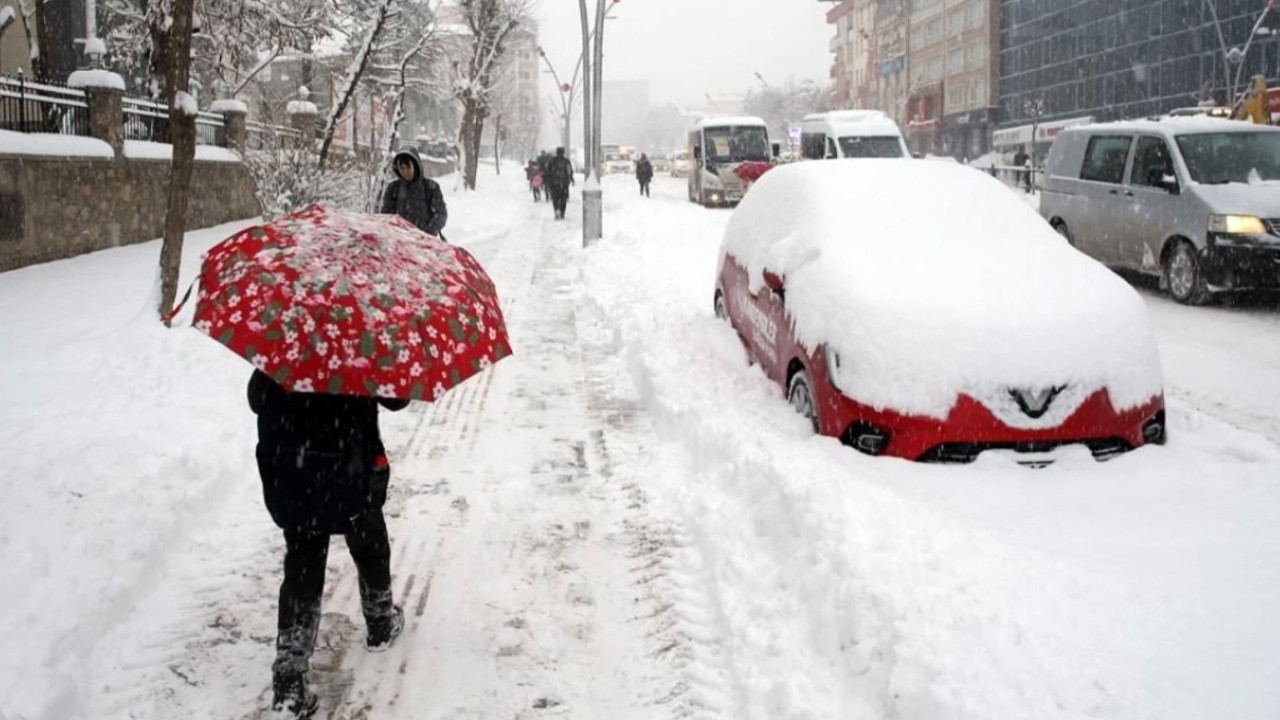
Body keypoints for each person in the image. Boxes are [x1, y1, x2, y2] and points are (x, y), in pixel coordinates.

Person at [249, 370, 411, 718]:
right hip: (350, 465)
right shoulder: (363, 345)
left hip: (296, 470)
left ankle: (290, 680)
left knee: (302, 566)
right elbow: (398, 400)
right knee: (369, 543)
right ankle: (380, 622)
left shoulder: (288, 344)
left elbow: (255, 401)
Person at [380, 147, 448, 237]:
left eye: (408, 167)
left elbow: (440, 214)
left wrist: (427, 233)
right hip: (398, 240)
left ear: (415, 166)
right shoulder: (393, 188)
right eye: (402, 168)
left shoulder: (430, 188)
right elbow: (386, 216)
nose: (405, 172)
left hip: (424, 242)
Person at [544, 147, 575, 220]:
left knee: (555, 198)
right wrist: (571, 179)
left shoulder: (552, 161)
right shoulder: (566, 161)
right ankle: (562, 213)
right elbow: (569, 171)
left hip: (554, 183)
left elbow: (547, 171)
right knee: (563, 199)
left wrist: (547, 180)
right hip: (564, 183)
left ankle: (557, 210)